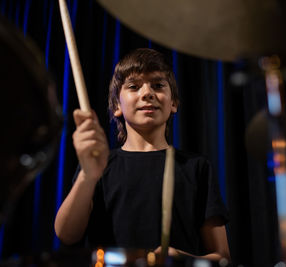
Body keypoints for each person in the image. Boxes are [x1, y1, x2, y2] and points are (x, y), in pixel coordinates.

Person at [54, 48, 230, 261]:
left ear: (173, 103)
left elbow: (222, 257)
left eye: (157, 85)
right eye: (134, 86)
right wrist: (87, 176)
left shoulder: (196, 167)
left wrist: (181, 259)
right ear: (117, 105)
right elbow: (66, 235)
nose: (147, 93)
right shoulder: (98, 164)